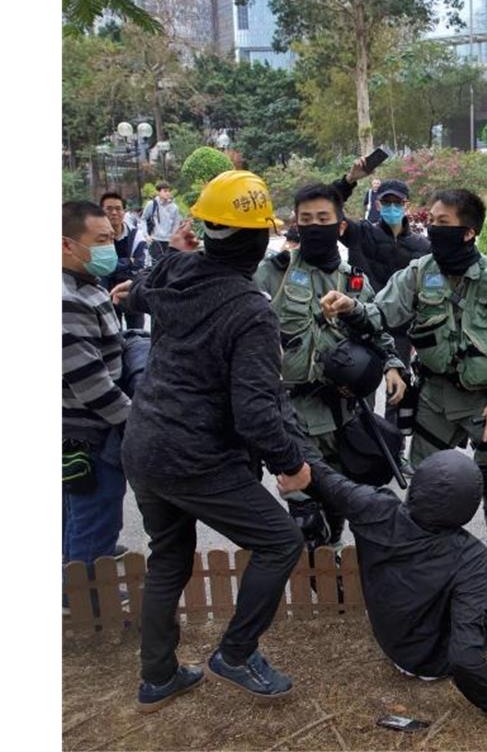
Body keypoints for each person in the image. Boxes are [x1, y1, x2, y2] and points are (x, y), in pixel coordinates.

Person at [117, 170, 310, 710]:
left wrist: (175, 251)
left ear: (204, 230)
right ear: (257, 239)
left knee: (169, 558)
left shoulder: (174, 268)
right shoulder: (249, 309)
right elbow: (254, 411)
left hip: (146, 442)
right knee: (279, 542)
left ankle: (157, 676)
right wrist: (290, 463)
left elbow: (136, 296)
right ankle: (237, 652)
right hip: (196, 455)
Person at [319, 188, 487, 557]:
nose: (434, 228)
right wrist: (350, 306)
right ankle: (425, 557)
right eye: (432, 221)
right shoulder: (418, 273)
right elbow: (382, 314)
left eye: (444, 223)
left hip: (485, 401)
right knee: (425, 485)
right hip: (434, 399)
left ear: (469, 231)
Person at [290, 445, 487, 715]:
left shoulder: (374, 507)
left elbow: (325, 477)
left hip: (392, 642)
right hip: (433, 663)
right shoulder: (469, 556)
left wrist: (291, 461)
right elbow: (464, 657)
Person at [253, 183, 405, 549]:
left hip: (342, 414)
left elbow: (379, 332)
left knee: (338, 505)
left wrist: (393, 364)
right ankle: (318, 583)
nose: (314, 225)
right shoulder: (275, 272)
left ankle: (336, 573)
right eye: (306, 219)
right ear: (296, 224)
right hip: (293, 414)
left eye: (323, 218)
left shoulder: (354, 279)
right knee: (306, 518)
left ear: (340, 225)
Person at [331, 167, 432, 477]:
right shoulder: (361, 234)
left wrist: (419, 333)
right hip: (361, 327)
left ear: (406, 206)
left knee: (397, 395)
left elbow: (425, 293)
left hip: (400, 332)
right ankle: (360, 453)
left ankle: (395, 453)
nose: (390, 207)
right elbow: (332, 208)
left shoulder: (422, 247)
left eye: (396, 203)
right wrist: (349, 179)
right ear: (377, 204)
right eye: (385, 202)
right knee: (360, 393)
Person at [62, 201, 130, 611]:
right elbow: (92, 384)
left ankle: (73, 578)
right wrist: (135, 421)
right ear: (68, 245)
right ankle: (87, 595)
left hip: (82, 426)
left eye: (112, 238)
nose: (111, 247)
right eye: (101, 240)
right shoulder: (66, 300)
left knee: (77, 508)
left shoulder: (86, 285)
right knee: (95, 509)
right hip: (88, 428)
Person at [99, 192, 148, 329]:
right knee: (113, 335)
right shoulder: (97, 238)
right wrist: (128, 262)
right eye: (108, 209)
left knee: (138, 334)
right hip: (106, 294)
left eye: (118, 208)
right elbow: (102, 266)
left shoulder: (136, 235)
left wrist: (114, 265)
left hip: (131, 291)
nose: (114, 213)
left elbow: (140, 263)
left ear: (124, 211)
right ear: (101, 211)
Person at [142, 182, 182, 264]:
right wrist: (146, 235)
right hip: (156, 240)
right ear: (158, 192)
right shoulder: (152, 204)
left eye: (168, 191)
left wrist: (174, 238)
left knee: (169, 264)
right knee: (156, 265)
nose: (168, 193)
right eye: (165, 191)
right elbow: (143, 219)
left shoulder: (174, 207)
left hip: (169, 240)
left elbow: (176, 223)